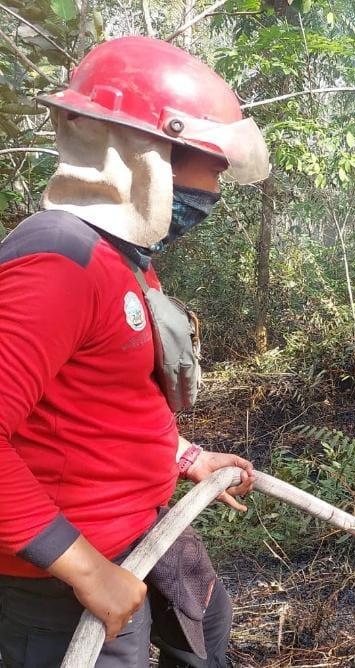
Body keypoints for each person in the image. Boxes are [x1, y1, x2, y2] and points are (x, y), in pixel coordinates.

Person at [0, 36, 270, 667]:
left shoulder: (124, 258)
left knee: (208, 628)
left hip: (143, 528)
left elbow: (108, 398)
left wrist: (186, 456)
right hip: (64, 572)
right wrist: (87, 569)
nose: (216, 188)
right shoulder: (58, 260)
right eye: (212, 166)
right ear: (150, 155)